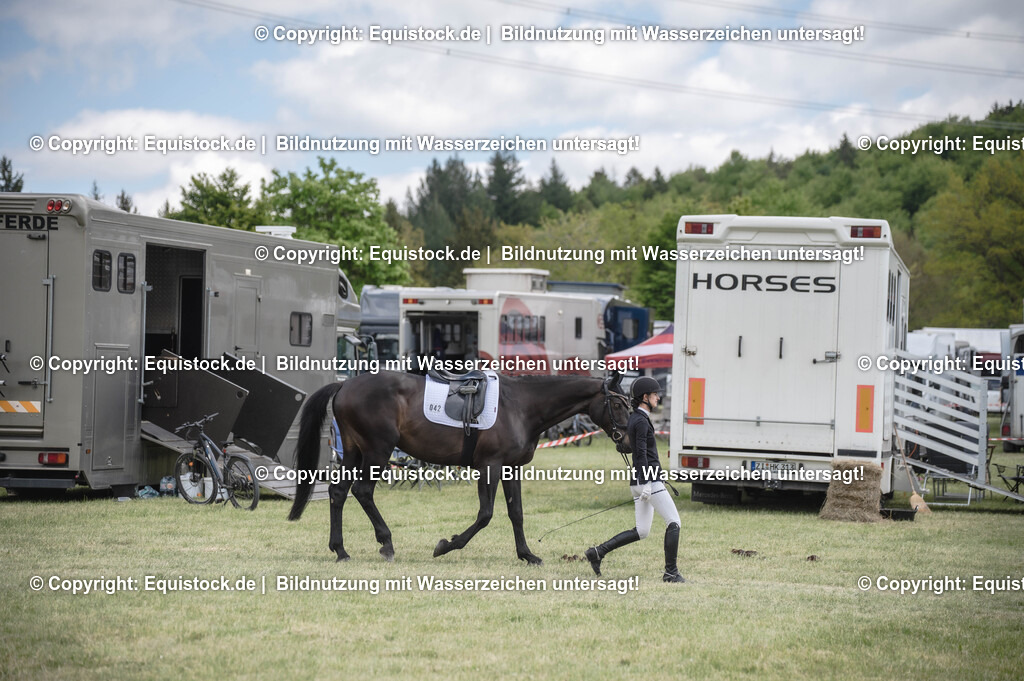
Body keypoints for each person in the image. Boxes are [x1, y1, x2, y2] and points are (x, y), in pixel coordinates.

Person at [585, 376, 685, 583]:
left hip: (640, 482)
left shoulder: (637, 418)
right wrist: (647, 482)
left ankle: (598, 552)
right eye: (655, 394)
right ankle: (671, 572)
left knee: (642, 531)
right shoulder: (639, 420)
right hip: (649, 481)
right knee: (674, 522)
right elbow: (640, 454)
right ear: (645, 397)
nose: (658, 397)